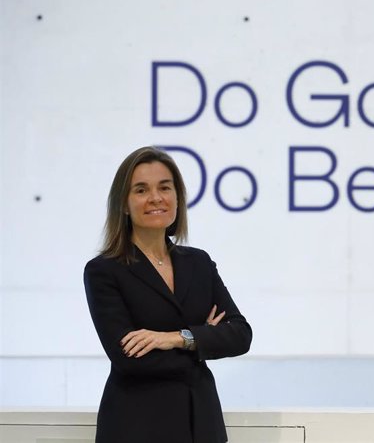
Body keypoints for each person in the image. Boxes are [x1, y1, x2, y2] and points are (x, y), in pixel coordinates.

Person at [84, 146, 252, 443]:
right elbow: (130, 359)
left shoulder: (198, 262)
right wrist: (204, 341)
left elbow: (240, 335)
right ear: (124, 204)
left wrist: (176, 337)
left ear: (177, 198)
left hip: (201, 425)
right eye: (141, 190)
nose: (155, 198)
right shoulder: (104, 271)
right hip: (136, 426)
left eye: (164, 187)